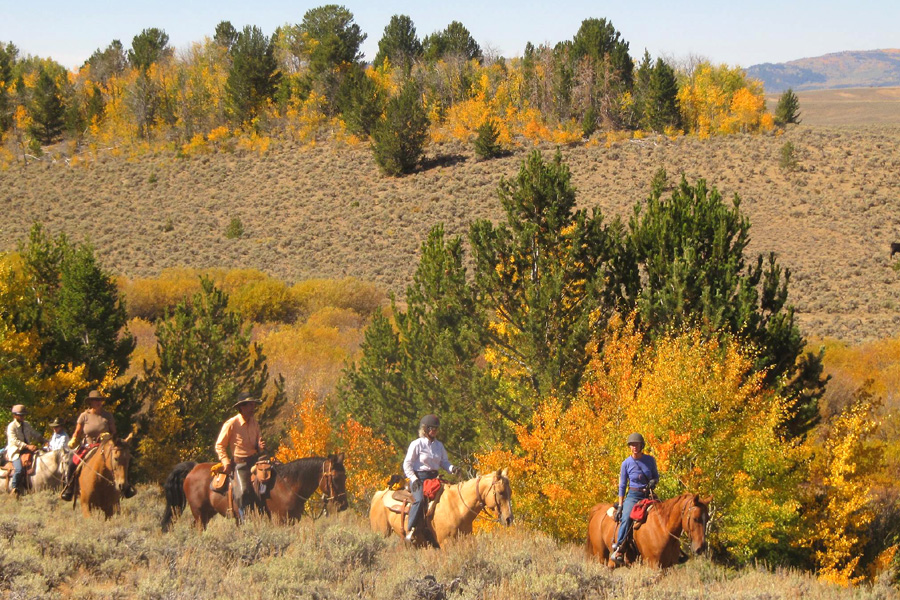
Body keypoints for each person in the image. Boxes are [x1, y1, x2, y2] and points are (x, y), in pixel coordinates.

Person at [402, 414, 459, 541]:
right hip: (419, 479)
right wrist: (414, 479)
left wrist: (452, 468)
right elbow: (407, 464)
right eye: (432, 428)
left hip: (435, 479)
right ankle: (410, 530)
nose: (434, 431)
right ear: (425, 429)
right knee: (420, 500)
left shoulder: (439, 445)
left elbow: (444, 462)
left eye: (436, 428)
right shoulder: (417, 444)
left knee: (450, 496)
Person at [215, 393, 266, 520]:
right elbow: (219, 445)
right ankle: (245, 522)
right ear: (241, 407)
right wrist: (226, 462)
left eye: (253, 404)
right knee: (243, 492)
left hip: (255, 460)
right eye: (250, 404)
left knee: (271, 478)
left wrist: (260, 446)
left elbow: (258, 446)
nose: (253, 407)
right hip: (240, 464)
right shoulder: (232, 423)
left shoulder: (255, 423)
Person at [61, 390, 118, 501]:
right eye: (95, 400)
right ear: (90, 402)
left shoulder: (107, 416)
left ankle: (125, 487)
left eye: (99, 400)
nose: (98, 402)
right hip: (88, 445)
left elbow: (114, 432)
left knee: (119, 460)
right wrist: (73, 439)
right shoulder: (84, 416)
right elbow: (77, 431)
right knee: (72, 463)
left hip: (105, 446)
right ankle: (70, 488)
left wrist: (108, 436)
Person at [611, 432, 659, 562]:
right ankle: (620, 548)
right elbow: (622, 486)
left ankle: (670, 548)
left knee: (664, 514)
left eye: (637, 444)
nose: (634, 447)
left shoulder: (650, 460)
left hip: (648, 495)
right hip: (633, 495)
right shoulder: (626, 463)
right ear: (629, 447)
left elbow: (656, 476)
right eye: (632, 445)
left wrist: (653, 482)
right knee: (626, 518)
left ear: (641, 445)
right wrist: (621, 505)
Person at [5, 405, 44, 496]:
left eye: (23, 415)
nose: (22, 417)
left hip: (27, 450)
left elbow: (34, 433)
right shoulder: (11, 426)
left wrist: (43, 440)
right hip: (16, 451)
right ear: (15, 415)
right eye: (20, 415)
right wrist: (27, 446)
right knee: (18, 469)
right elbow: (14, 440)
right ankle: (14, 488)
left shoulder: (26, 424)